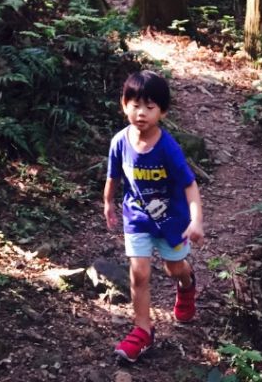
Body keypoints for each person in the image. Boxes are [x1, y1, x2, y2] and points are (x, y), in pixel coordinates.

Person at [103, 69, 204, 363]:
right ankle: (142, 330)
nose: (142, 113)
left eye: (150, 107)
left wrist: (196, 219)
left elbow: (189, 185)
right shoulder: (119, 142)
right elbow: (113, 176)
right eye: (135, 105)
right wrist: (108, 201)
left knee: (175, 269)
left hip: (172, 221)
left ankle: (187, 286)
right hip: (136, 219)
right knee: (140, 273)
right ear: (124, 105)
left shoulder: (168, 148)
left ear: (163, 110)